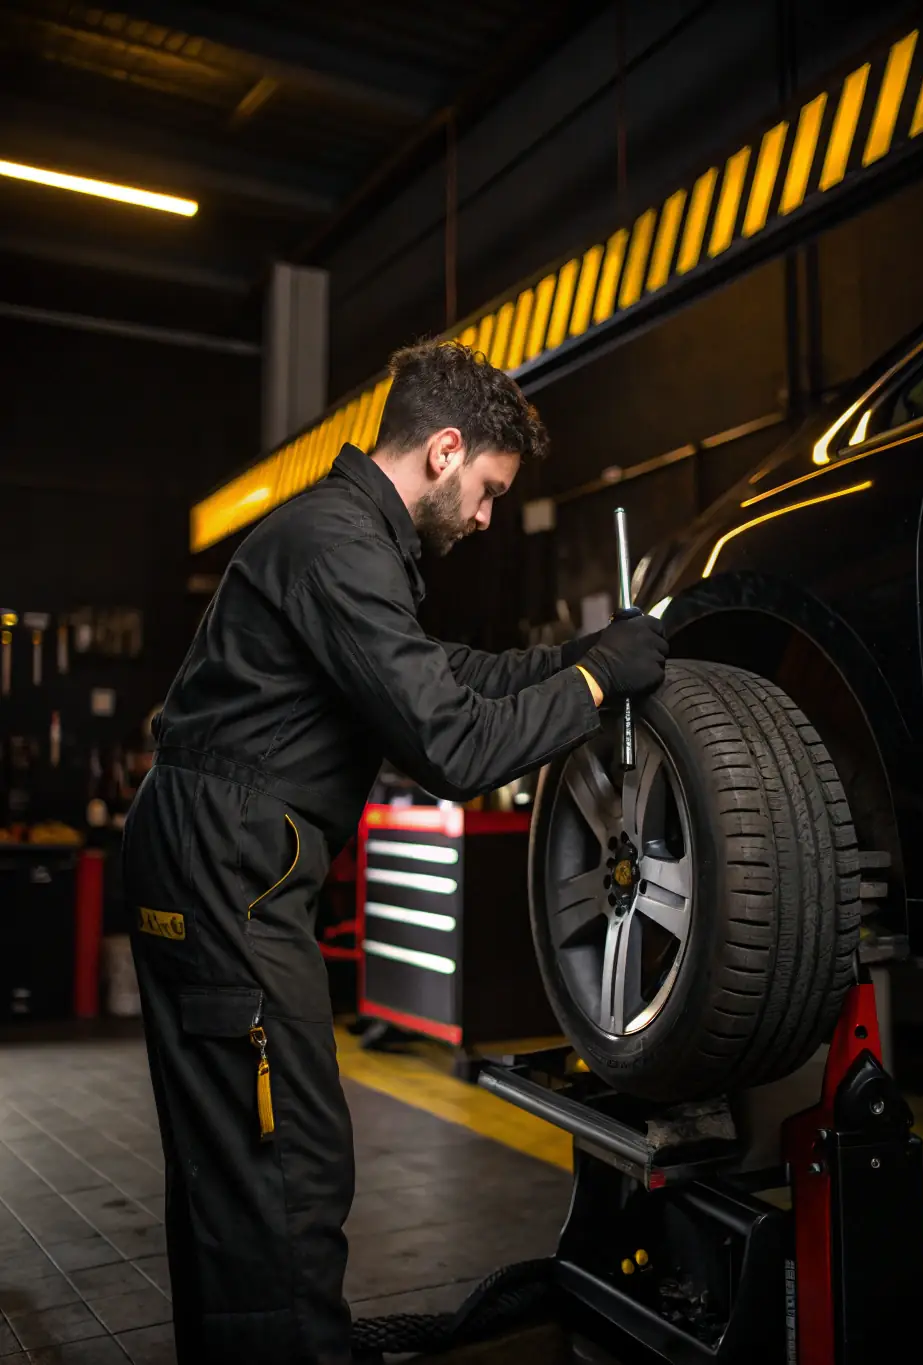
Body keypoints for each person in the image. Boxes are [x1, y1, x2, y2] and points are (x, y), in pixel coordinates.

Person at [123, 339, 668, 1365]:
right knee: (284, 1163)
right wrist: (596, 692)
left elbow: (442, 676)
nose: (483, 517)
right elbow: (452, 745)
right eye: (489, 492)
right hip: (224, 864)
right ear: (445, 449)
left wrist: (576, 661)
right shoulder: (338, 543)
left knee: (235, 1160)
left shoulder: (345, 542)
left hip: (213, 853)